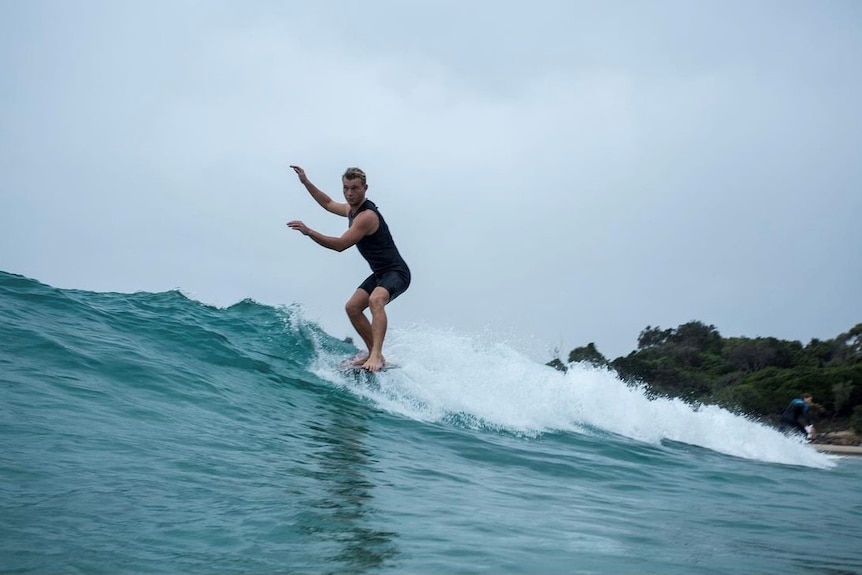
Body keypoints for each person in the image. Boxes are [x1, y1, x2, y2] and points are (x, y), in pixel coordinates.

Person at [286, 165, 411, 372]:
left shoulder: (366, 216)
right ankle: (374, 353)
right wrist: (306, 182)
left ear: (365, 188)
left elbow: (340, 245)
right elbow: (327, 203)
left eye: (354, 188)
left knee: (375, 300)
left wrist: (309, 232)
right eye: (346, 188)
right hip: (380, 273)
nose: (349, 193)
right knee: (352, 308)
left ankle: (377, 356)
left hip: (396, 272)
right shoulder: (351, 210)